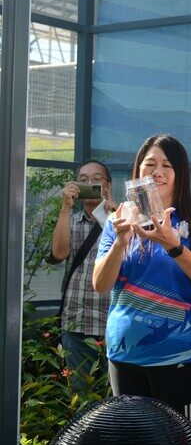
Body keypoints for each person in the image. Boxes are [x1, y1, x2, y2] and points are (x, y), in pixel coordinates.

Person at [93, 134, 191, 422]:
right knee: (131, 437)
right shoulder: (118, 221)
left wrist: (173, 245)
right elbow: (100, 284)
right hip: (124, 354)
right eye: (150, 164)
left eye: (167, 165)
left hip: (180, 353)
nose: (157, 172)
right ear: (138, 170)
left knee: (176, 440)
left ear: (180, 174)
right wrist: (120, 242)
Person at [49, 159, 116, 384]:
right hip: (75, 323)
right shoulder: (70, 221)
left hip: (111, 323)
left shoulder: (121, 218)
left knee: (114, 394)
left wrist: (113, 213)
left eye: (97, 179)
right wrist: (65, 207)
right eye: (83, 180)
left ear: (108, 185)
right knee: (80, 392)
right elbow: (59, 253)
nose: (90, 183)